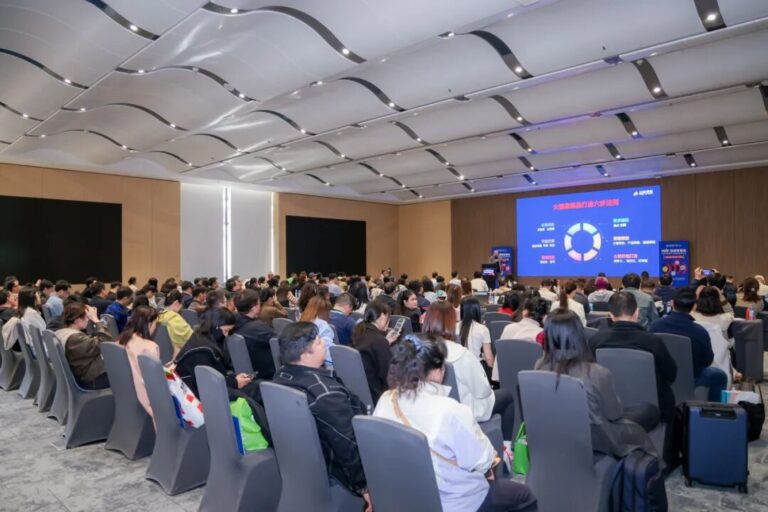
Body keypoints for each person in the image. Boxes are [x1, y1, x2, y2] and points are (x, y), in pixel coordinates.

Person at [374, 335, 537, 512]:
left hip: (408, 496)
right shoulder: (451, 411)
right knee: (524, 495)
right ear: (436, 371)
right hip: (456, 502)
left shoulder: (387, 399)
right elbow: (484, 460)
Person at [272, 322, 371, 511]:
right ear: (304, 355)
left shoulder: (280, 376)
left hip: (301, 465)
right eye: (318, 342)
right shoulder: (326, 393)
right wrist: (365, 487)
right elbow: (346, 443)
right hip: (337, 471)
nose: (324, 343)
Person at [536, 309, 658, 457]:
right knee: (648, 410)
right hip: (600, 439)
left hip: (556, 434)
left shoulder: (539, 367)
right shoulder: (596, 372)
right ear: (579, 335)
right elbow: (614, 414)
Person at [423, 302, 516, 440]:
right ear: (450, 324)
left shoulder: (418, 350)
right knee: (507, 396)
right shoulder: (461, 354)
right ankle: (507, 446)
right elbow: (482, 391)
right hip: (464, 408)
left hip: (430, 409)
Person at [588, 291, 677, 423]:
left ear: (611, 315)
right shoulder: (653, 342)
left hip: (607, 409)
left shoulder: (596, 340)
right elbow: (671, 374)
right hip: (651, 411)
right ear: (637, 312)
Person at [650, 288, 727, 401]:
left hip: (662, 375)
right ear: (694, 307)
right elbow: (707, 361)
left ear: (672, 303)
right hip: (693, 377)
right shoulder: (700, 331)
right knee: (721, 376)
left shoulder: (655, 326)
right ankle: (712, 409)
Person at [174, 307, 258, 401]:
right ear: (215, 327)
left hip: (201, 390)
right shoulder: (202, 351)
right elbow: (211, 383)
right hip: (200, 397)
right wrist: (235, 382)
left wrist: (234, 378)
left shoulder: (200, 339)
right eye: (225, 330)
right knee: (255, 390)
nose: (226, 335)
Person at [351, 301, 399, 404]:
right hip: (377, 393)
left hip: (361, 388)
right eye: (388, 317)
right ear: (382, 316)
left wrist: (386, 342)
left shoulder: (360, 330)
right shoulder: (378, 340)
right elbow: (388, 375)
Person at [56, 303, 112, 390]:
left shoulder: (61, 332)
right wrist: (96, 320)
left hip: (82, 373)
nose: (88, 320)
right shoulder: (75, 338)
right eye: (87, 318)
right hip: (91, 380)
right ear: (77, 320)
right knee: (124, 375)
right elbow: (105, 343)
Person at [117, 306, 160, 420]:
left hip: (125, 391)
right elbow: (154, 381)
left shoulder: (121, 340)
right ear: (148, 324)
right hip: (145, 396)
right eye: (155, 323)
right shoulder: (150, 347)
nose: (155, 327)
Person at [691, 287, 738, 388]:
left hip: (697, 363)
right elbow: (730, 311)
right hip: (722, 363)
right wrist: (722, 297)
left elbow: (690, 309)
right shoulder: (725, 318)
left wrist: (697, 296)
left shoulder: (692, 317)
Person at [232, 289, 278, 380]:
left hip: (244, 369)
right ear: (254, 307)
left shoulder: (232, 321)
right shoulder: (257, 327)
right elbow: (279, 341)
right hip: (265, 372)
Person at [458, 298, 494, 374]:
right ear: (477, 310)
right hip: (476, 370)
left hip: (457, 369)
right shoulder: (483, 329)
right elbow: (488, 358)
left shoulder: (453, 326)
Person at [299, 295, 335, 367]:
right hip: (318, 366)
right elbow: (329, 358)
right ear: (326, 312)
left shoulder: (301, 321)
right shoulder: (323, 325)